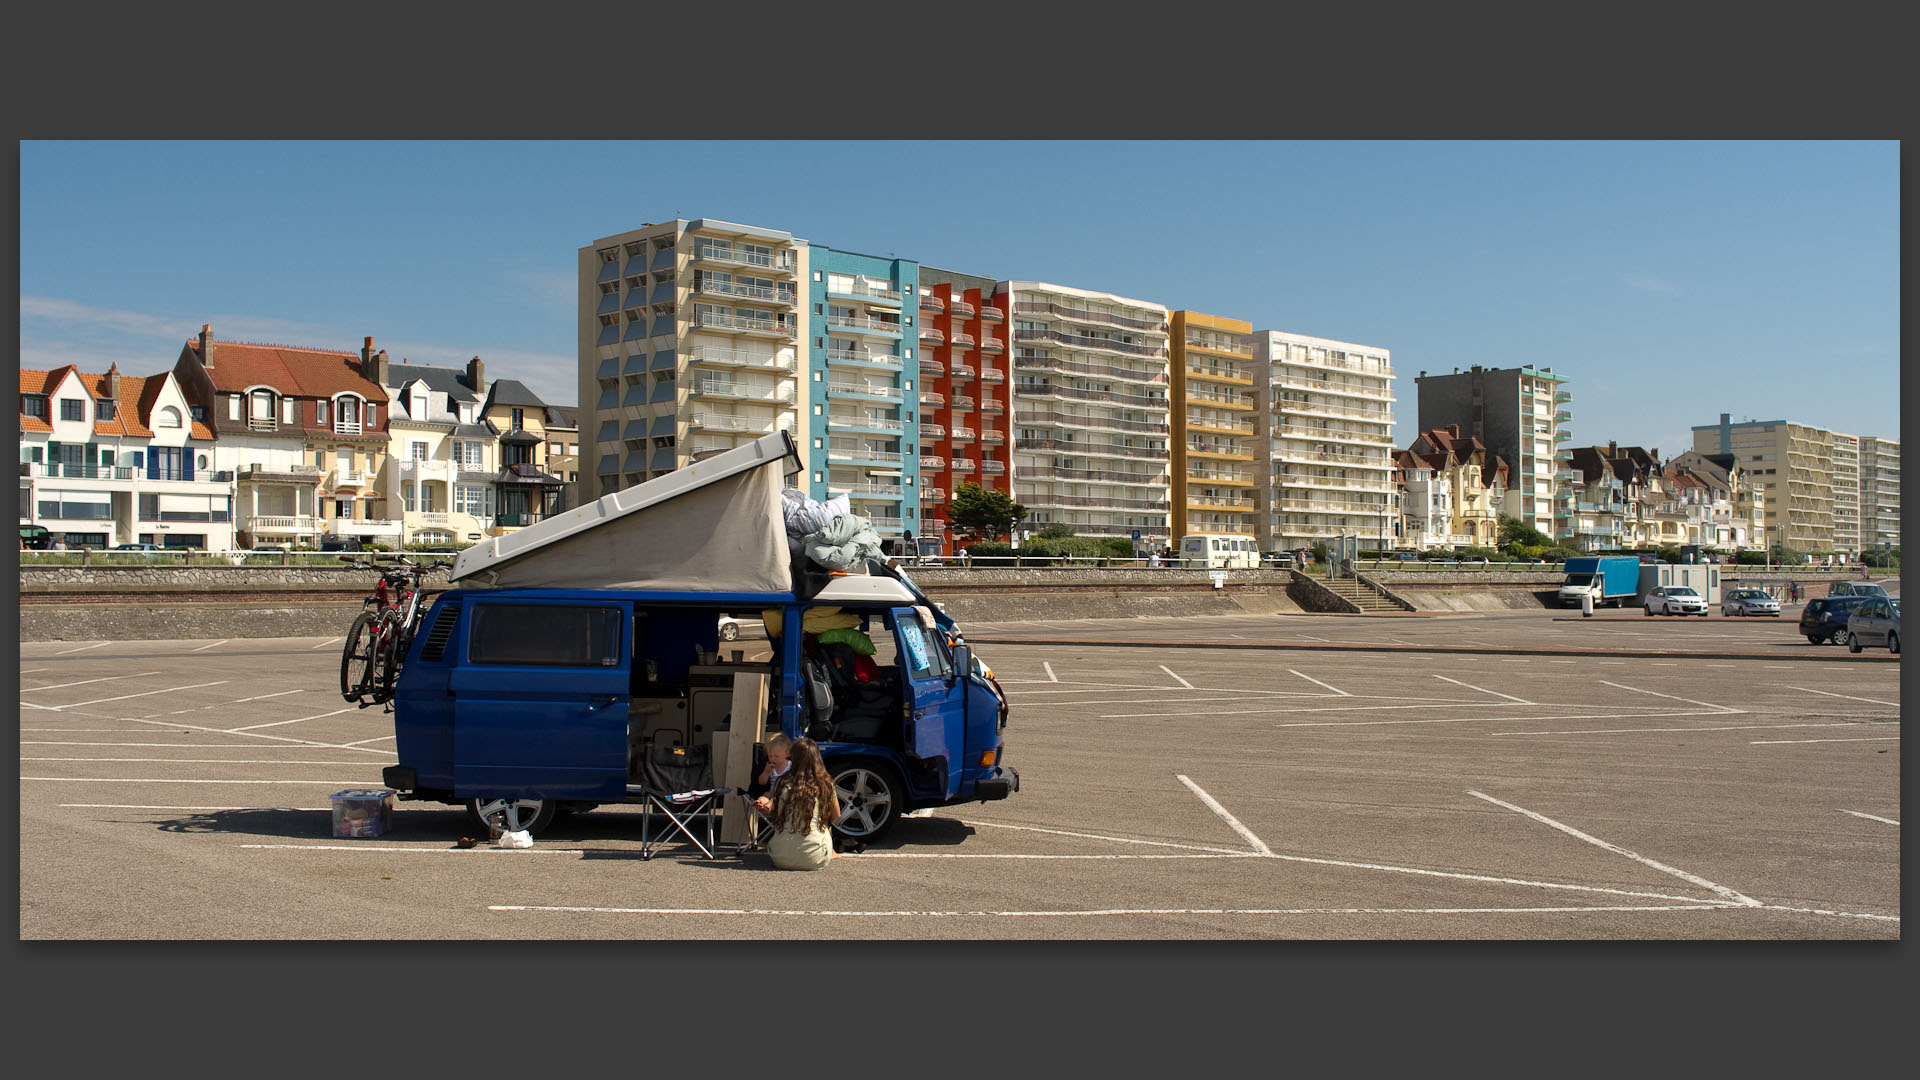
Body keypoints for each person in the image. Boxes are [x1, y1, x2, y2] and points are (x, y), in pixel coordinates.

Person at [756, 737, 847, 870]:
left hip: (780, 857)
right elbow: (836, 816)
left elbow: (776, 813)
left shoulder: (782, 782)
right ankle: (829, 851)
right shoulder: (825, 783)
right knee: (824, 821)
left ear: (793, 757)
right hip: (815, 858)